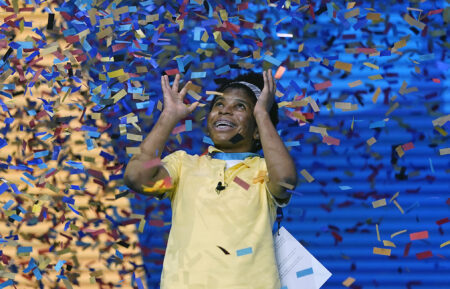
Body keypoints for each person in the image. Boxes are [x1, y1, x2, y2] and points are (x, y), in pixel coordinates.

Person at [124, 69, 297, 289]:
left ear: (257, 130)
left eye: (240, 106)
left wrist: (262, 113)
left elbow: (285, 181)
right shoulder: (183, 165)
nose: (225, 111)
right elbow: (136, 177)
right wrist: (169, 116)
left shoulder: (265, 171)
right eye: (219, 105)